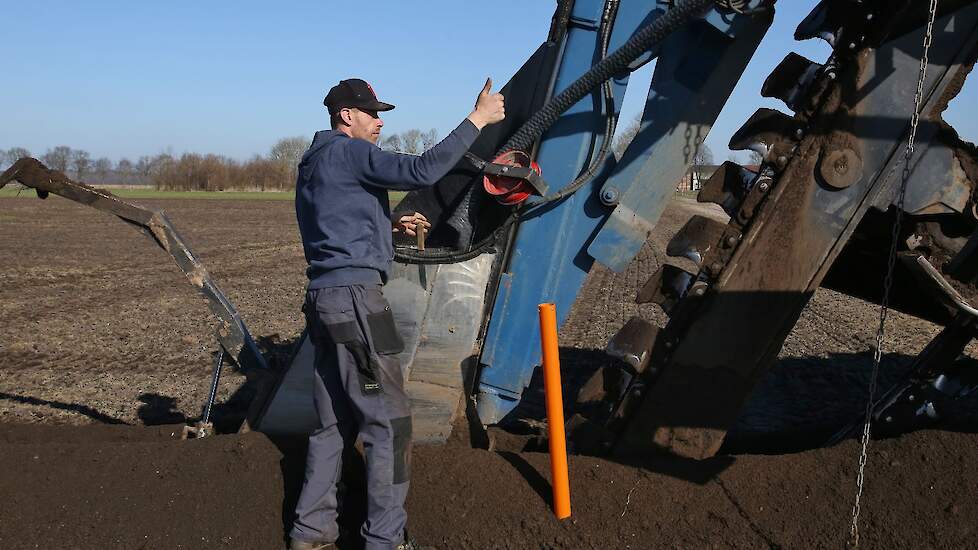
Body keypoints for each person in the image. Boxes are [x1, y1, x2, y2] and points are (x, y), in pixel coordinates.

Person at [290, 77, 505, 550]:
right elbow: (423, 170)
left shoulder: (313, 162)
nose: (380, 121)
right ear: (347, 115)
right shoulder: (350, 153)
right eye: (372, 113)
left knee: (332, 424)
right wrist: (479, 118)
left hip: (324, 302)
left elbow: (336, 224)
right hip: (356, 304)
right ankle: (384, 540)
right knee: (389, 423)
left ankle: (312, 531)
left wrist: (387, 225)